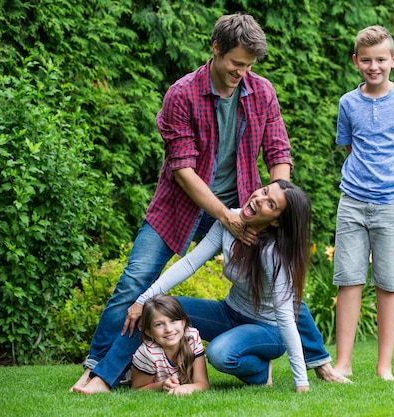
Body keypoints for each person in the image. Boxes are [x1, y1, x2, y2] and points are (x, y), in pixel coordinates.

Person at [71, 13, 347, 394]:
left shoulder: (262, 91)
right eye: (236, 64)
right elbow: (182, 169)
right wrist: (226, 217)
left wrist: (274, 201)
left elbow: (278, 152)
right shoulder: (181, 94)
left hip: (241, 202)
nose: (242, 73)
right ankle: (97, 369)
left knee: (279, 274)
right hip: (181, 206)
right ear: (215, 49)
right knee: (136, 280)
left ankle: (318, 363)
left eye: (249, 66)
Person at [127, 180, 312, 392]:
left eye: (270, 204)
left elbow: (286, 316)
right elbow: (189, 263)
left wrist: (301, 382)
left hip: (267, 329)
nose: (259, 200)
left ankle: (260, 371)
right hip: (228, 313)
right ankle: (120, 374)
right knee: (158, 311)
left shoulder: (274, 253)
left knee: (219, 354)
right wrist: (143, 300)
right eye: (263, 191)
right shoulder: (229, 221)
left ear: (277, 222)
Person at [332, 25, 394, 381]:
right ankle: (343, 364)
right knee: (349, 281)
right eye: (366, 60)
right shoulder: (348, 103)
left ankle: (383, 366)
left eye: (381, 60)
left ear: (393, 60)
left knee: (389, 284)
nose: (374, 66)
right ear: (356, 61)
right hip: (353, 203)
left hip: (392, 206)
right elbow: (350, 147)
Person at [130, 295, 209, 395]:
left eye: (173, 321)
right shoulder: (148, 353)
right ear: (149, 332)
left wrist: (189, 388)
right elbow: (137, 389)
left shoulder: (191, 338)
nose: (169, 329)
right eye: (159, 324)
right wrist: (161, 385)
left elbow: (203, 383)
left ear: (183, 322)